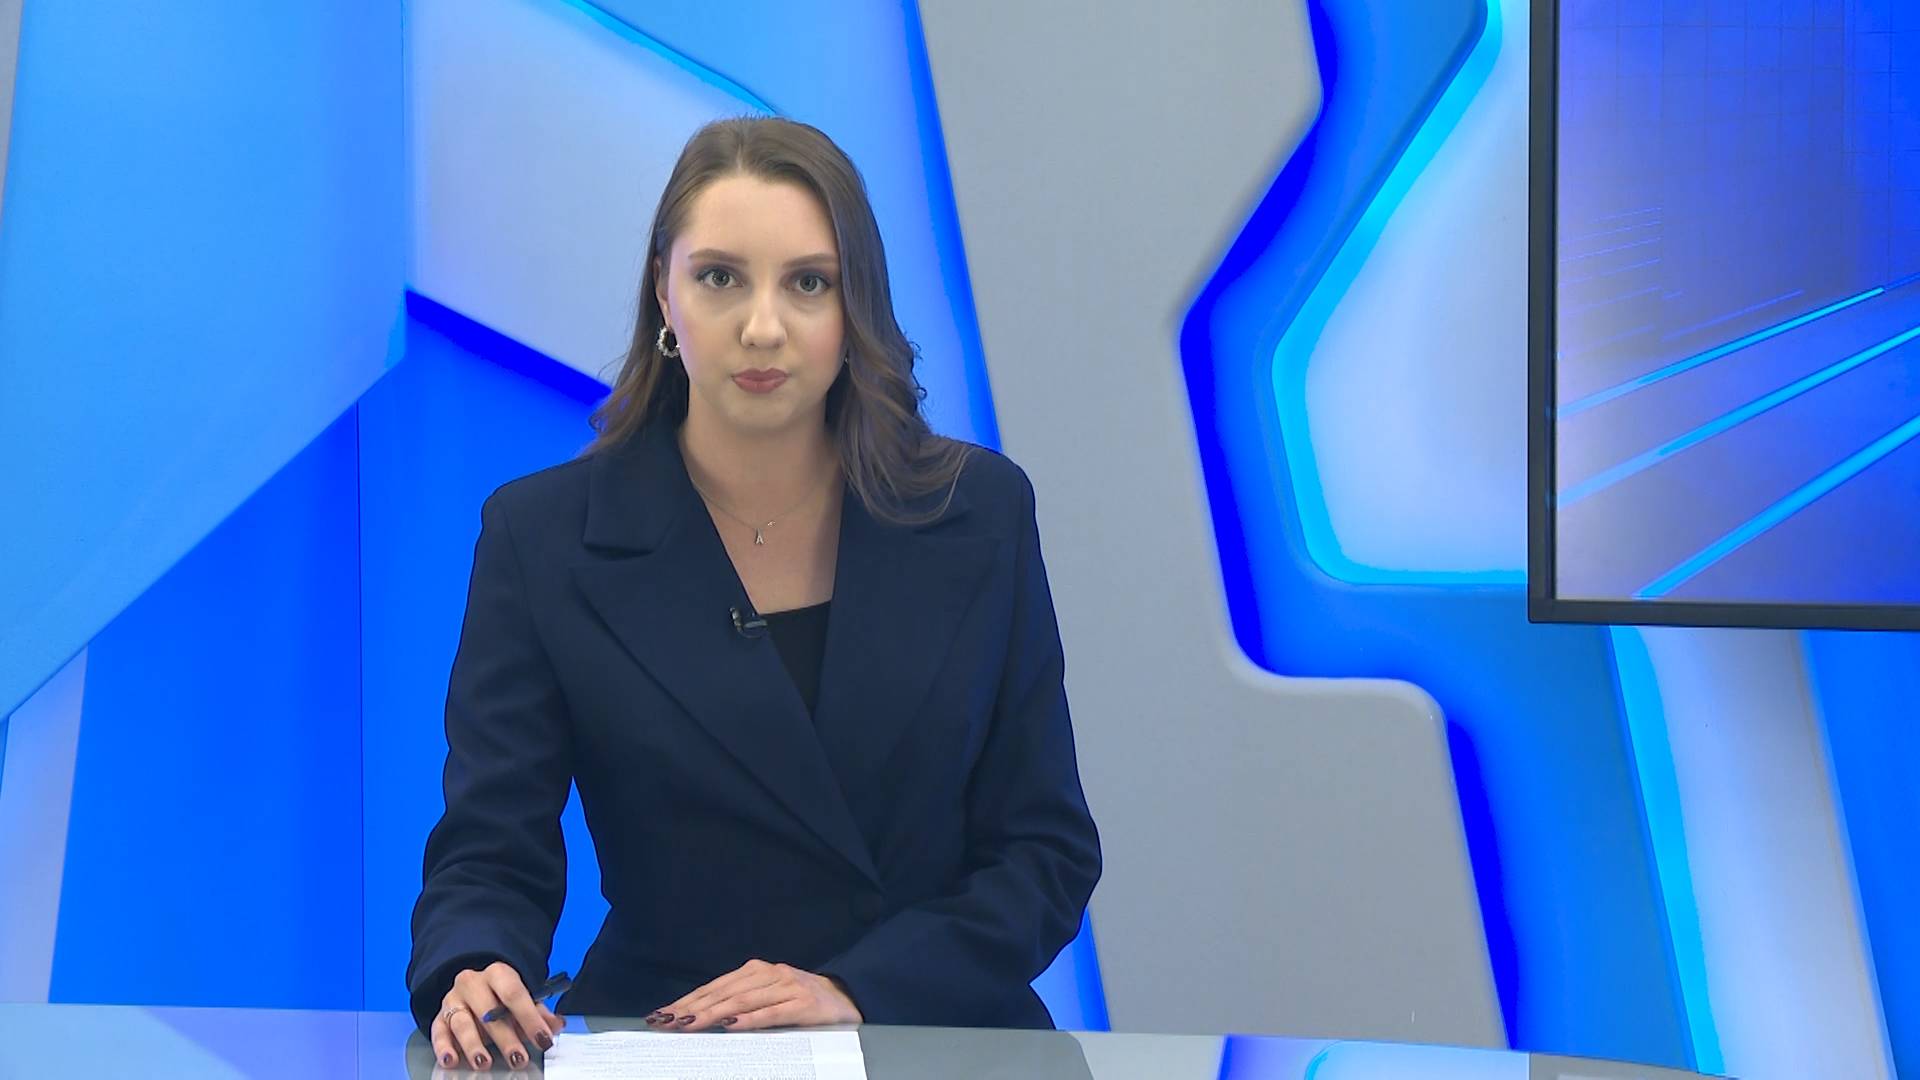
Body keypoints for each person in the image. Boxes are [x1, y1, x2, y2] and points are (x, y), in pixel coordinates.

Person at [406, 116, 1101, 1073]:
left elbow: (1044, 852)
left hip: (929, 1032)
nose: (762, 327)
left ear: (856, 304)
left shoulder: (977, 513)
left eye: (808, 283)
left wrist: (856, 990)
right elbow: (490, 846)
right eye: (720, 278)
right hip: (674, 1039)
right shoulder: (542, 536)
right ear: (664, 291)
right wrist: (476, 964)